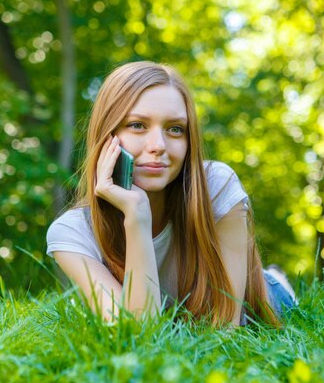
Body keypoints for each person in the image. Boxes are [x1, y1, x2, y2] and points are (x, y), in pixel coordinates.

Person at [46, 61, 296, 327]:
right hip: (175, 316)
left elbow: (226, 330)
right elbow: (139, 333)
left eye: (175, 129)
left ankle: (278, 278)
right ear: (107, 135)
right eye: (137, 125)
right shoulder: (72, 233)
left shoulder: (217, 187)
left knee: (274, 292)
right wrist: (137, 215)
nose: (158, 146)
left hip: (260, 294)